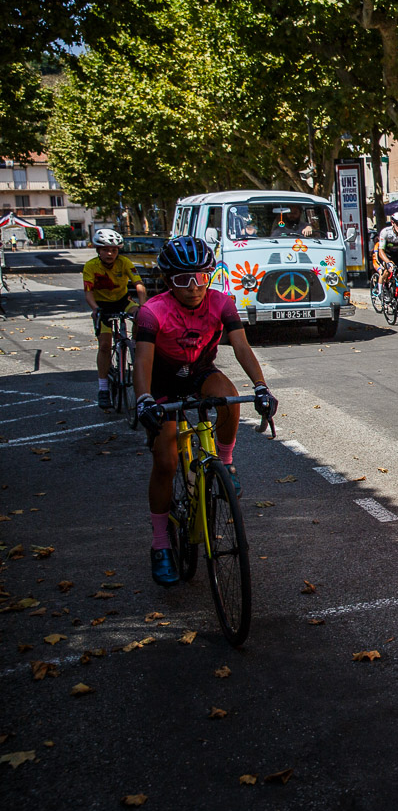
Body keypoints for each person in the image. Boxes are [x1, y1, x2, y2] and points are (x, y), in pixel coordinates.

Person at [133, 237, 276, 586]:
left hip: (199, 372)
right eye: (183, 279)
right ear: (168, 281)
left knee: (229, 398)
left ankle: (225, 462)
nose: (194, 287)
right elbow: (143, 361)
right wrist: (144, 400)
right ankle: (160, 544)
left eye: (201, 278)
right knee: (166, 461)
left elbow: (241, 345)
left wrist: (260, 386)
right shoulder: (152, 311)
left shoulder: (221, 302)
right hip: (162, 382)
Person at [82, 227, 148, 409]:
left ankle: (134, 343)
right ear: (98, 250)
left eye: (114, 250)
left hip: (122, 301)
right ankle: (103, 388)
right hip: (102, 305)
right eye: (105, 250)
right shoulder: (90, 266)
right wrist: (95, 309)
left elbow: (139, 285)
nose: (110, 253)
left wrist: (143, 305)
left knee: (142, 315)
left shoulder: (124, 262)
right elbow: (88, 293)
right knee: (104, 345)